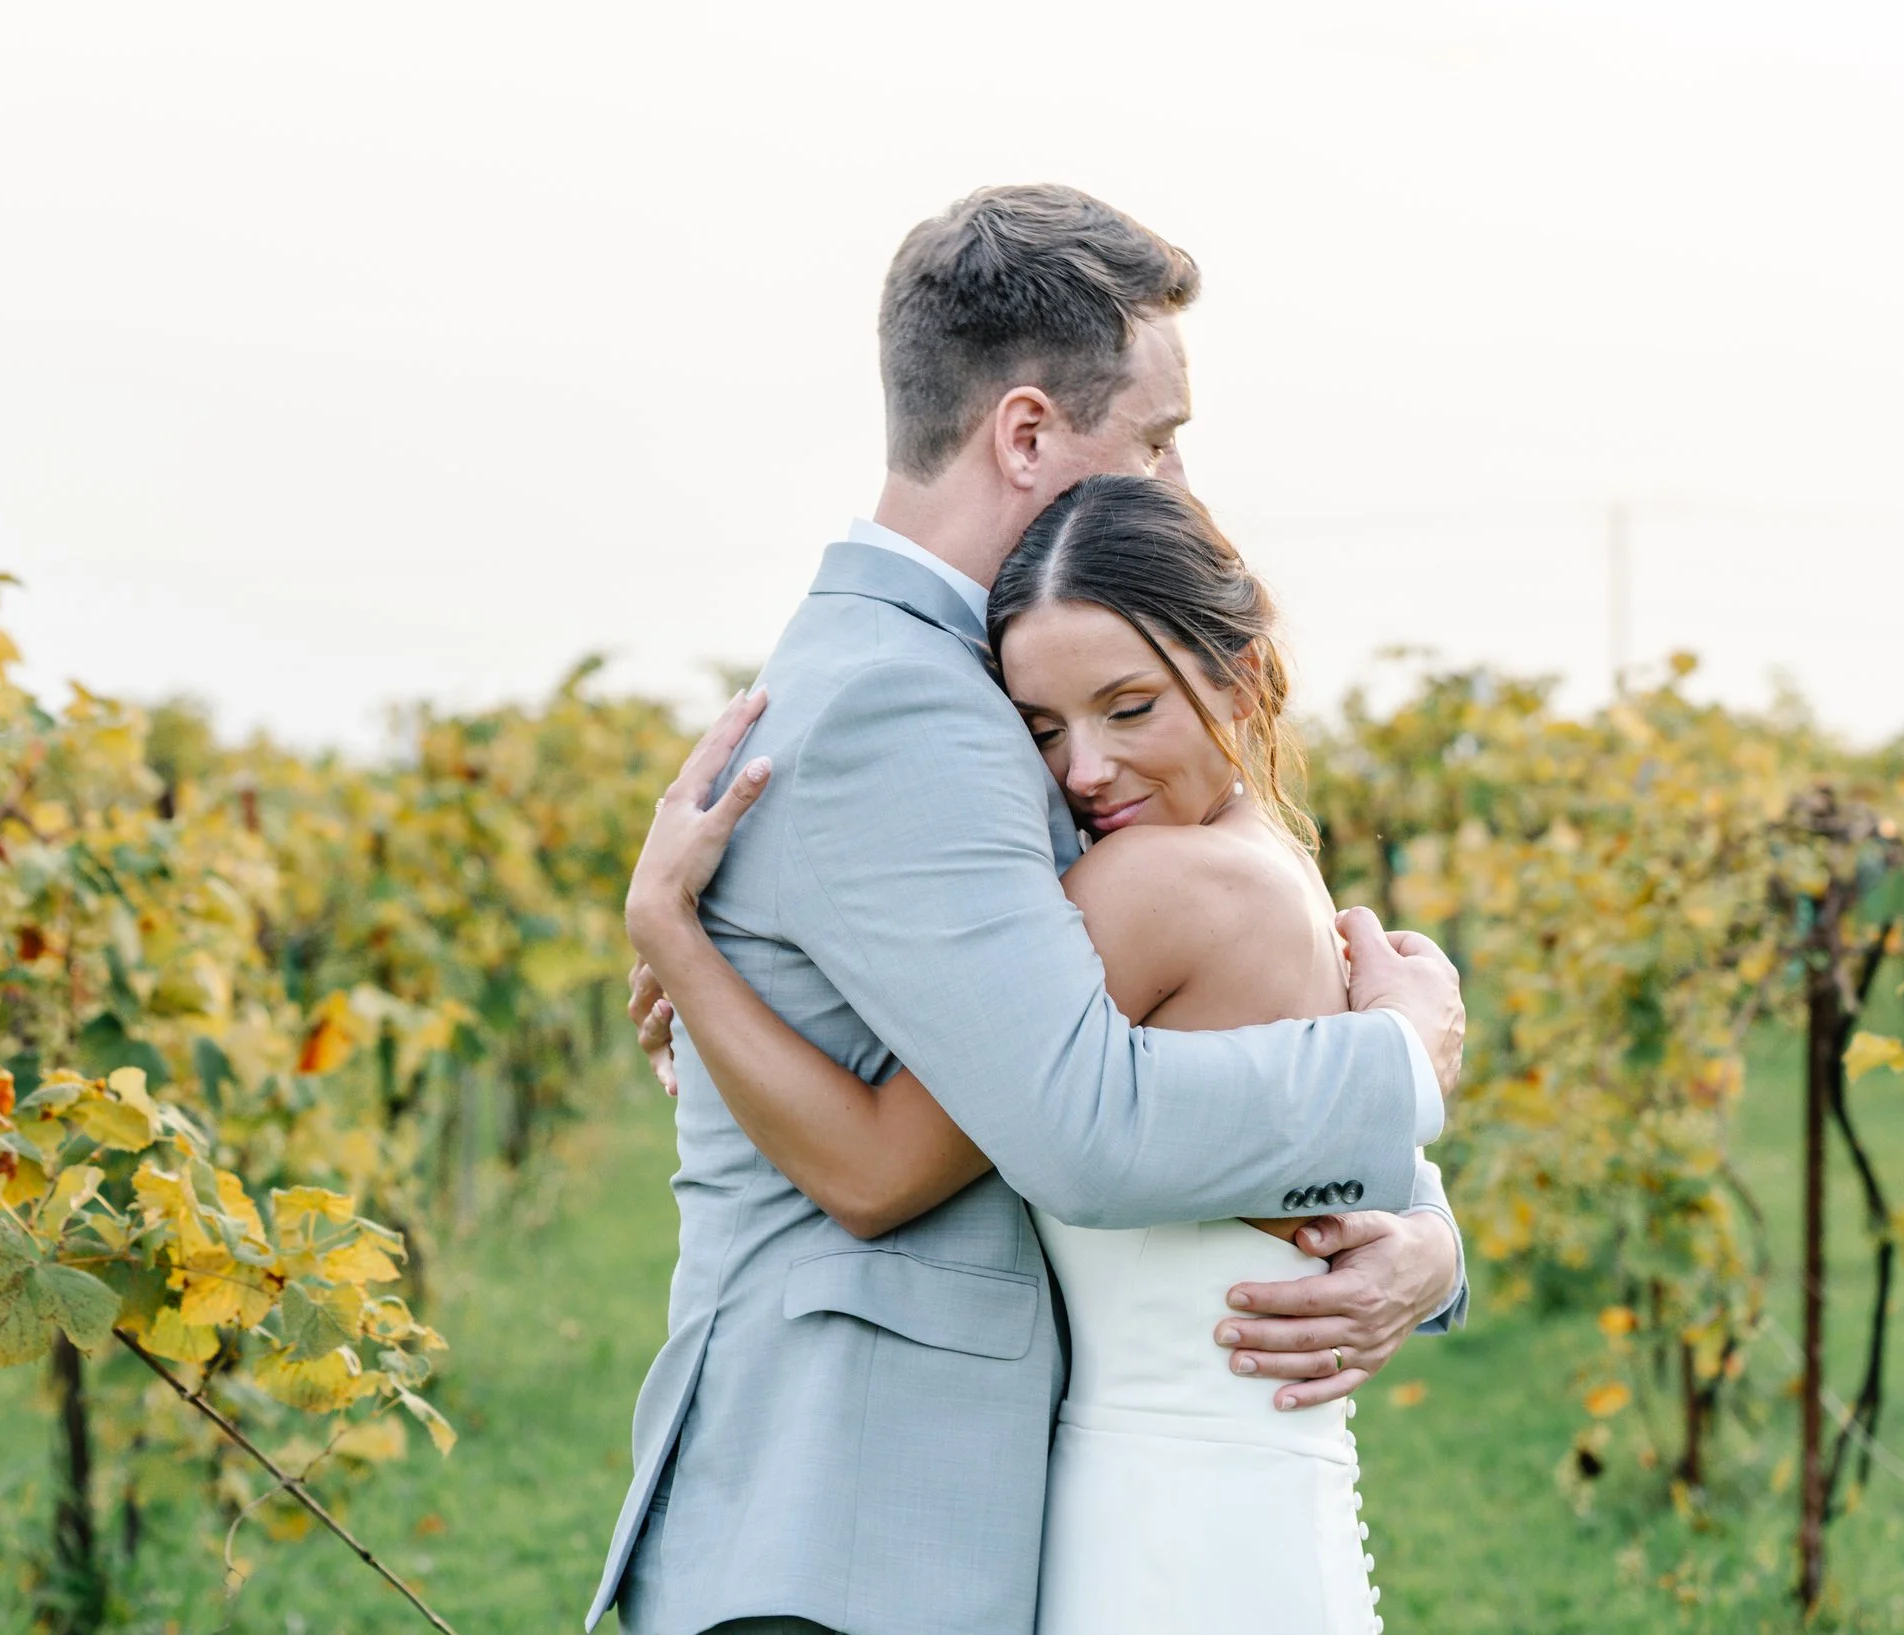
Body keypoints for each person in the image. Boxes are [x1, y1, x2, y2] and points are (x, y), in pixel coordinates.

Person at [587, 185, 1467, 1635]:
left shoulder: (993, 682)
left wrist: (1420, 1230)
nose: (1176, 489)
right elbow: (1079, 1121)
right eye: (1160, 438)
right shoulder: (905, 705)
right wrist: (1403, 1061)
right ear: (1027, 433)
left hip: (954, 1504)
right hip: (853, 1513)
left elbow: (1158, 1010)